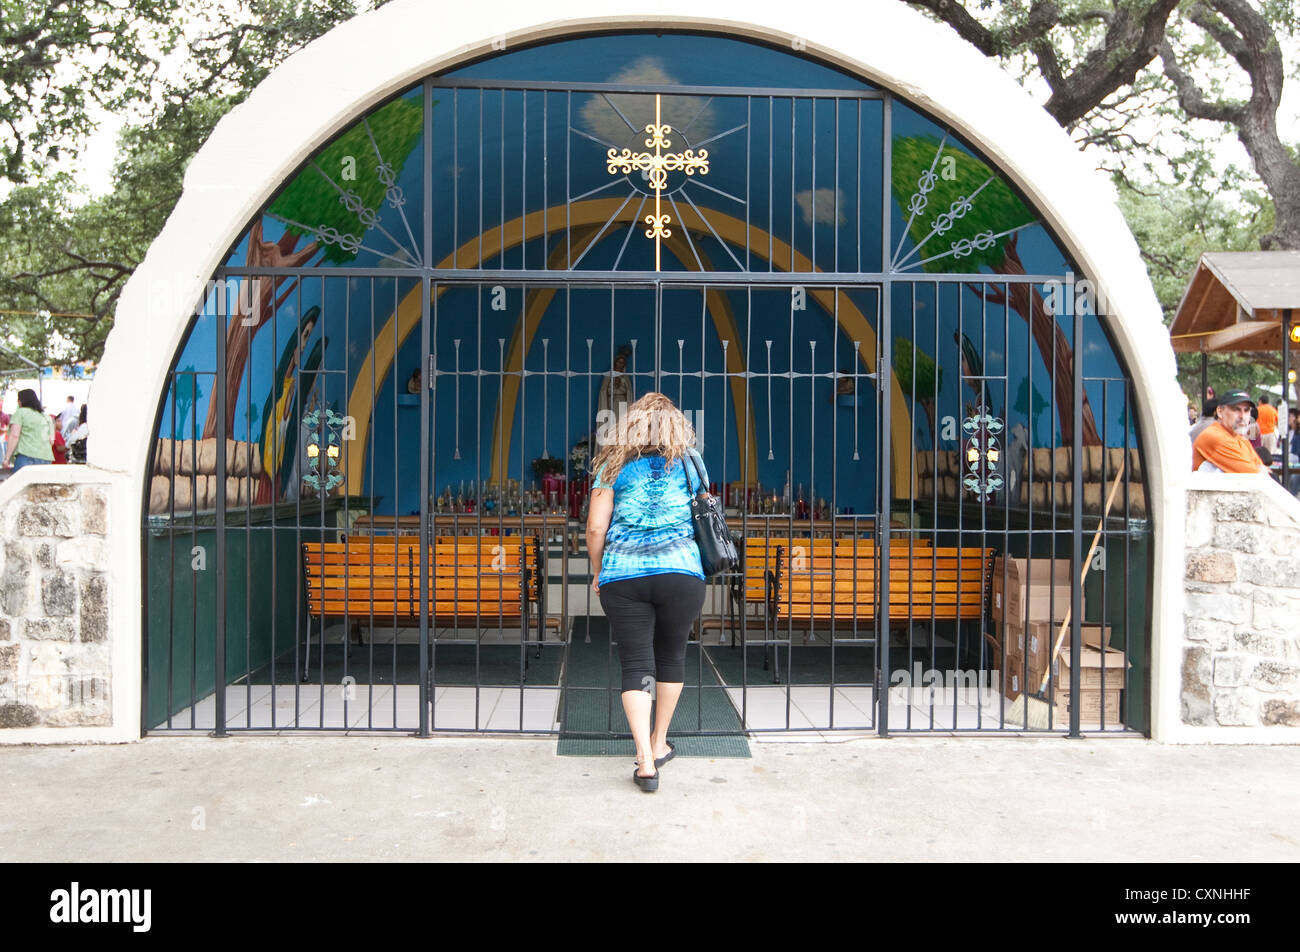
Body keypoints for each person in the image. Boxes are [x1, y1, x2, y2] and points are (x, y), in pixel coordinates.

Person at [585, 392, 707, 793]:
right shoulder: (691, 463)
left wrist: (598, 570)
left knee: (636, 662)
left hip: (625, 575)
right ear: (675, 426)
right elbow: (705, 513)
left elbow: (595, 528)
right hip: (681, 572)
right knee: (671, 656)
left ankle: (644, 760)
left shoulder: (611, 464)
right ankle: (659, 742)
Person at [1191, 390, 1269, 474]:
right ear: (1220, 412)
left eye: (1246, 410)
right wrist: (1257, 469)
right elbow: (1254, 474)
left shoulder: (1240, 438)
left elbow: (1262, 471)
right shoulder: (1215, 436)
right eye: (1236, 410)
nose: (1242, 416)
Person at [1, 389, 55, 471]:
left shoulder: (20, 413)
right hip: (46, 458)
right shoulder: (46, 417)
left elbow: (14, 436)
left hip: (27, 456)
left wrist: (7, 458)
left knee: (20, 483)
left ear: (20, 401)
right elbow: (51, 440)